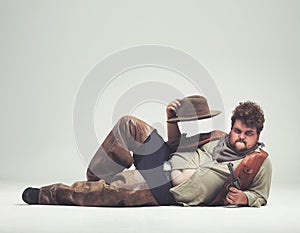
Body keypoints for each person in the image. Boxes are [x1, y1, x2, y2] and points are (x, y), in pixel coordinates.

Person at [22, 95, 272, 207]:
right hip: (165, 160)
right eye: (238, 131)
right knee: (127, 124)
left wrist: (244, 198)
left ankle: (49, 194)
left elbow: (260, 196)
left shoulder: (256, 163)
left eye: (248, 134)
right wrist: (169, 116)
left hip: (167, 188)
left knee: (114, 189)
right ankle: (95, 178)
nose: (241, 138)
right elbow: (176, 147)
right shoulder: (216, 138)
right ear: (232, 128)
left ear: (257, 135)